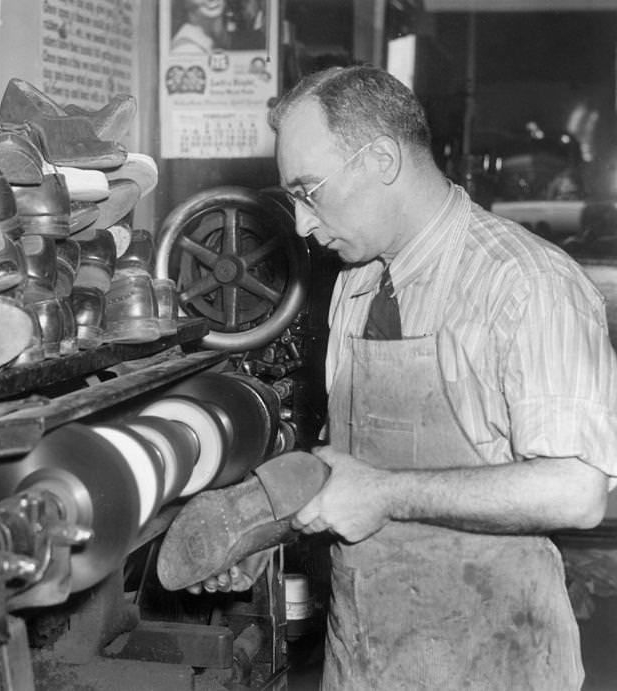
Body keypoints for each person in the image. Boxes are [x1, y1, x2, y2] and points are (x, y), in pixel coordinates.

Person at [187, 64, 617, 689]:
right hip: (363, 654)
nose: (302, 224)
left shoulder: (525, 284)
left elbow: (576, 492)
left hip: (492, 657)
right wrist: (259, 529)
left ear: (381, 159)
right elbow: (345, 468)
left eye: (309, 190)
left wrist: (387, 493)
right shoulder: (357, 284)